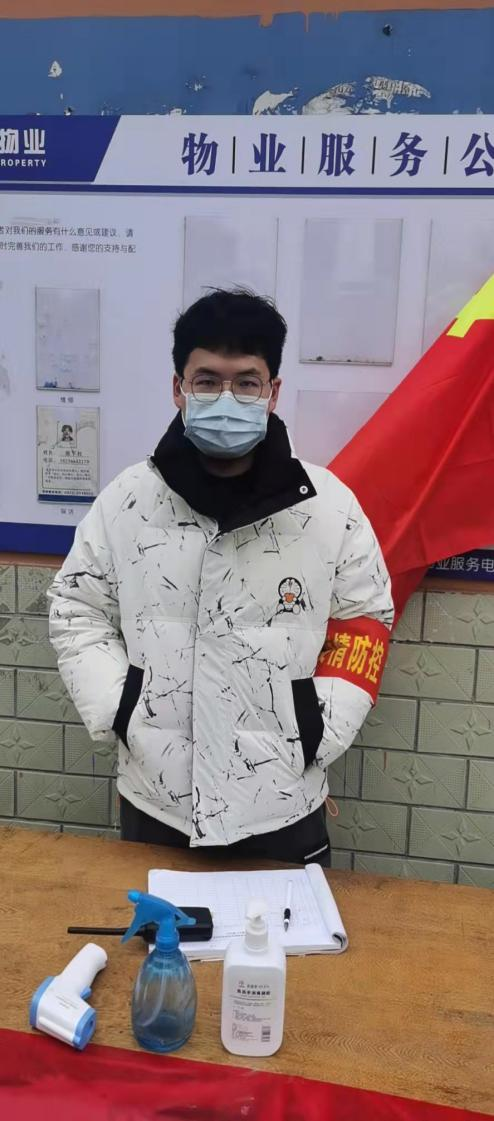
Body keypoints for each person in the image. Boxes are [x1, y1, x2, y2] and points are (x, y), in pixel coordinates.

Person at [48, 290, 394, 865]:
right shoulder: (129, 500)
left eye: (246, 382)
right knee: (156, 929)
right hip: (157, 802)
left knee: (287, 930)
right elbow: (75, 607)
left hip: (283, 804)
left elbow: (365, 619)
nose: (226, 398)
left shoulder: (329, 507)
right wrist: (121, 709)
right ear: (178, 388)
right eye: (206, 381)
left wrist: (316, 730)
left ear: (273, 392)